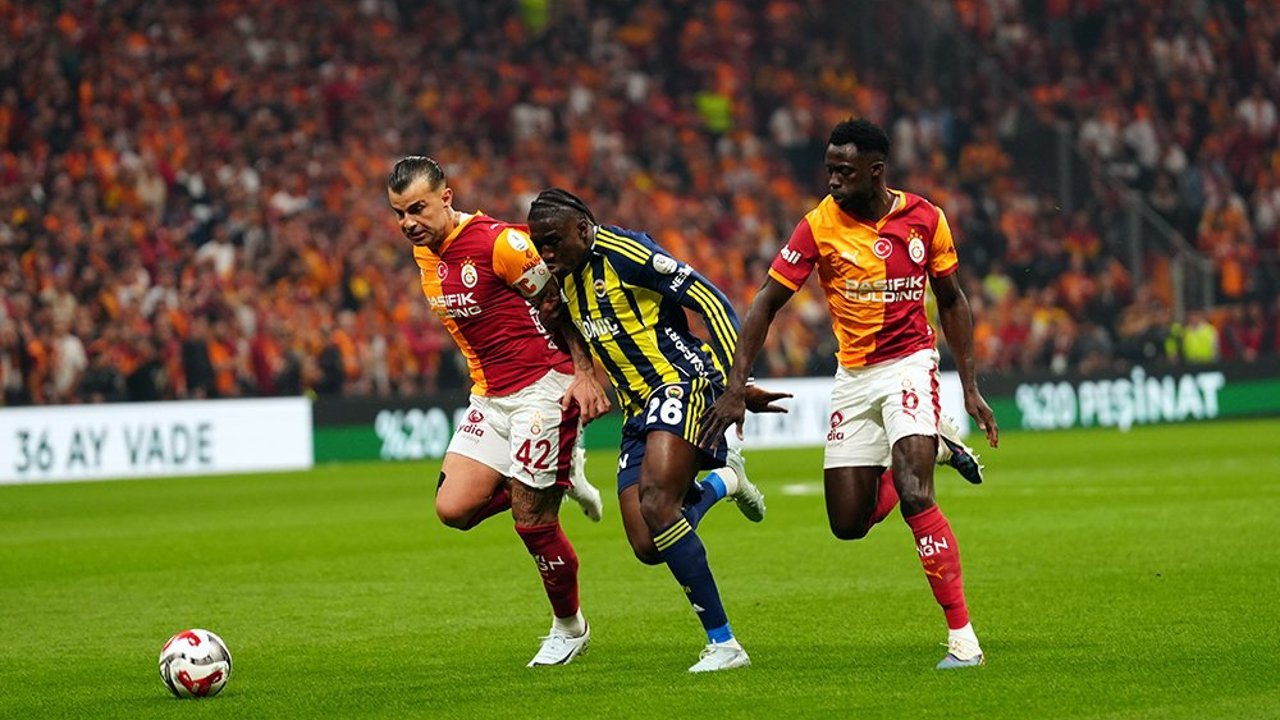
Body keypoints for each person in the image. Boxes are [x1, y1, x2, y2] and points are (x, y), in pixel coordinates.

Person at [700, 118, 1000, 670]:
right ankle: (936, 445)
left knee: (915, 494)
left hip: (909, 365)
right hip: (854, 376)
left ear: (875, 170)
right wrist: (736, 386)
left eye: (844, 170)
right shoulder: (817, 226)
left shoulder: (926, 219)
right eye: (829, 169)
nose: (833, 180)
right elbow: (765, 302)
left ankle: (963, 639)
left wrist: (971, 387)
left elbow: (953, 300)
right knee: (847, 524)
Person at [527, 188, 786, 673]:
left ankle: (725, 644)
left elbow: (712, 301)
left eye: (553, 241)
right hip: (636, 410)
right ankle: (725, 480)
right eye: (539, 244)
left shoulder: (628, 253)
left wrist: (736, 384)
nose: (546, 253)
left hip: (680, 382)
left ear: (582, 228)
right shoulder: (560, 279)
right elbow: (579, 333)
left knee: (658, 505)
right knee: (649, 543)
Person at [386, 157, 611, 667]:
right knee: (454, 510)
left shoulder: (499, 244)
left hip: (544, 386)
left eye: (417, 208)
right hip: (489, 396)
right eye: (399, 213)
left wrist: (583, 373)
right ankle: (557, 476)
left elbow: (561, 302)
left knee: (532, 523)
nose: (408, 223)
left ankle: (569, 628)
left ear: (447, 198)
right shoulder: (425, 254)